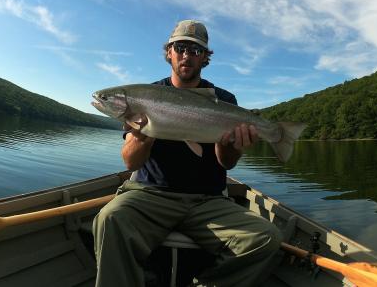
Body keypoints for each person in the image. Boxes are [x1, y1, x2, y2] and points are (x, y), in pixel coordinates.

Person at [92, 20, 282, 287]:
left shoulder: (224, 100)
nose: (186, 55)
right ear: (169, 52)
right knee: (109, 218)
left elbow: (226, 164)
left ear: (205, 57)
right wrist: (143, 134)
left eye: (195, 50)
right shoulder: (146, 96)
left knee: (266, 238)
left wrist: (231, 145)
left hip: (207, 201)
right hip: (151, 194)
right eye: (180, 48)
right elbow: (131, 162)